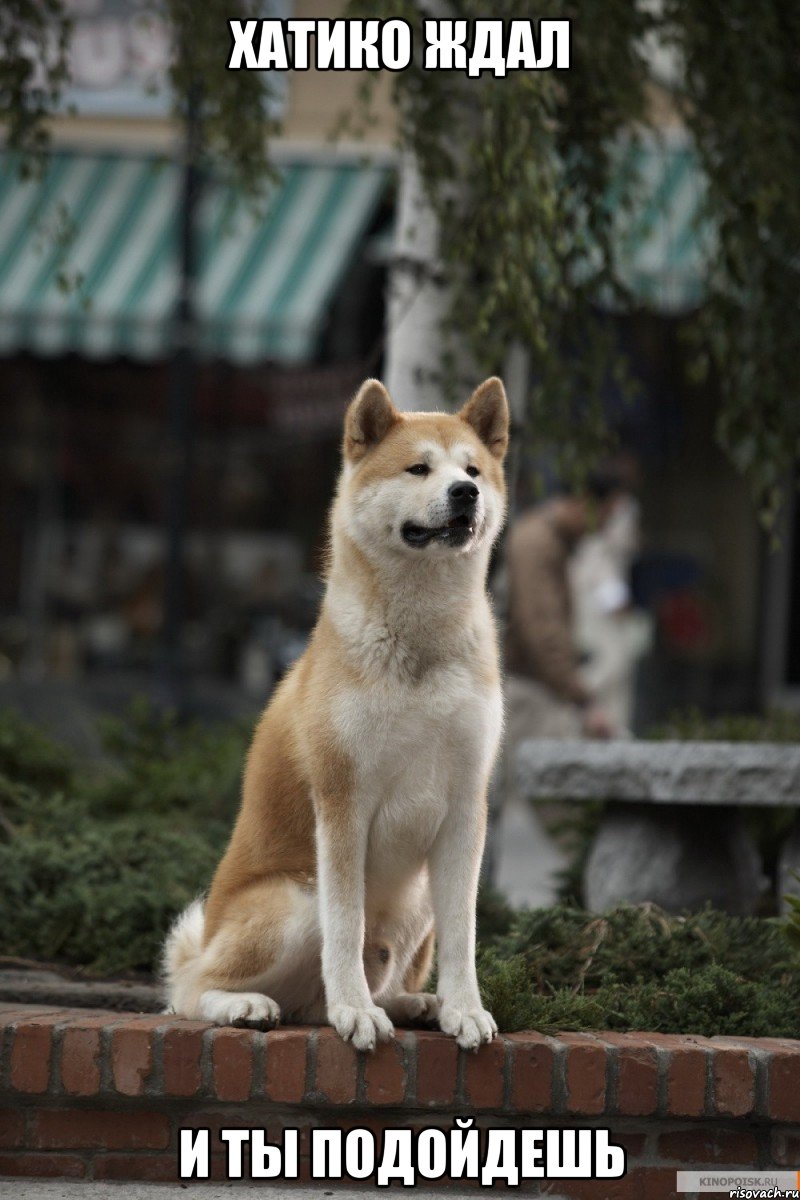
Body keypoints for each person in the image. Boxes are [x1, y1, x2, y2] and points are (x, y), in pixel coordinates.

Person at [504, 470, 627, 743]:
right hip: (527, 691)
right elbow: (542, 630)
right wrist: (583, 701)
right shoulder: (538, 544)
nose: (605, 527)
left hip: (537, 687)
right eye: (606, 515)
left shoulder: (551, 541)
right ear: (586, 502)